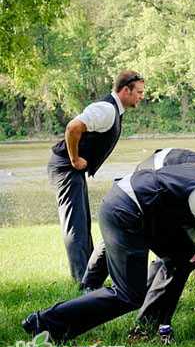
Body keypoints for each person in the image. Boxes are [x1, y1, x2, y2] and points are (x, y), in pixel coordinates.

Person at [22, 156, 195, 342]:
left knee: (182, 256)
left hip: (146, 211)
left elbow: (177, 201)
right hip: (126, 210)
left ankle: (149, 327)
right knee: (128, 294)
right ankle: (44, 323)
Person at [47, 70, 145, 285]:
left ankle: (90, 276)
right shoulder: (106, 110)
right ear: (125, 90)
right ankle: (83, 281)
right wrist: (74, 160)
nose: (141, 96)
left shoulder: (114, 110)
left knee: (82, 221)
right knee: (75, 225)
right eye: (138, 92)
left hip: (72, 169)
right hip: (66, 166)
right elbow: (73, 127)